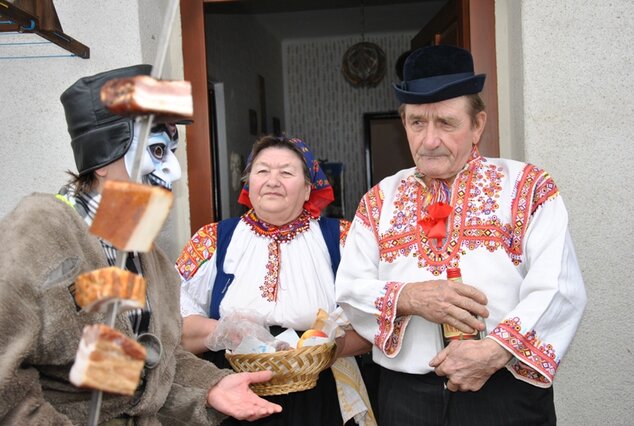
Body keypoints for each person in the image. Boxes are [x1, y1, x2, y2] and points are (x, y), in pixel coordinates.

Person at [0, 64, 281, 425]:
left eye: (172, 152)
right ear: (102, 159)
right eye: (158, 151)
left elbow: (149, 366)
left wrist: (210, 387)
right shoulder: (41, 230)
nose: (174, 172)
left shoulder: (149, 257)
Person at [335, 45, 587, 425]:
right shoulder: (379, 199)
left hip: (505, 396)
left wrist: (496, 350)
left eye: (446, 123)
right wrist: (408, 297)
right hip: (405, 401)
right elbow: (350, 289)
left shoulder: (528, 187)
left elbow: (559, 288)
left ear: (478, 125)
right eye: (417, 123)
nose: (429, 139)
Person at [176, 135, 375, 426]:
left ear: (308, 188)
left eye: (286, 172)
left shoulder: (344, 239)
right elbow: (172, 325)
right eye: (262, 170)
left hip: (320, 394)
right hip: (234, 393)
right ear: (248, 183)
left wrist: (327, 351)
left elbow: (379, 322)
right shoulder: (213, 240)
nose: (272, 180)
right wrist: (223, 331)